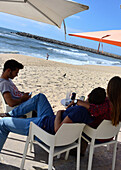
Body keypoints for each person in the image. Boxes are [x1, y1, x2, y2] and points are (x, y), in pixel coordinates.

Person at [0, 76, 121, 154]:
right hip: (50, 122)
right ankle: (12, 114)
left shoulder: (89, 110)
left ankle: (10, 116)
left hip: (45, 127)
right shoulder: (98, 110)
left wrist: (61, 111)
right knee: (40, 98)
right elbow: (95, 108)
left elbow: (58, 129)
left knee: (2, 124)